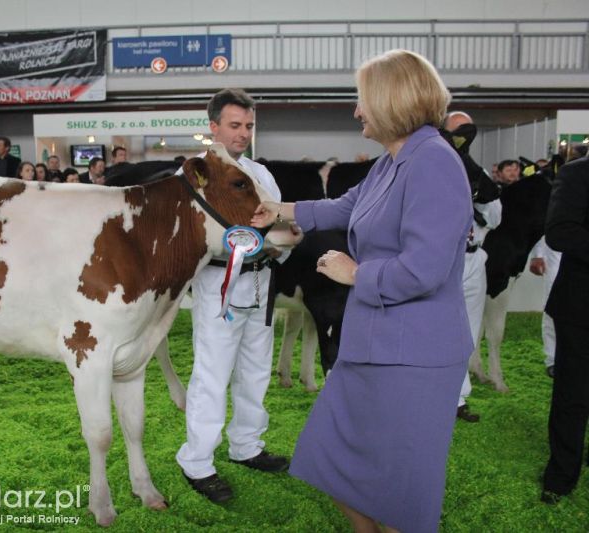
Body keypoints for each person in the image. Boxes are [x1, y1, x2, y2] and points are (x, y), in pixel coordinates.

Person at [252, 50, 472, 532]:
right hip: (372, 343)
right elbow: (347, 206)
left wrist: (357, 273)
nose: (356, 110)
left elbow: (426, 268)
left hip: (414, 354)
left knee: (398, 491)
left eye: (362, 99)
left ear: (392, 101)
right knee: (330, 456)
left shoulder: (434, 161)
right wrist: (281, 209)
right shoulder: (392, 162)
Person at [176, 88, 289, 504]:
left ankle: (246, 445)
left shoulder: (262, 174)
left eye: (249, 126)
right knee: (213, 372)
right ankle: (197, 461)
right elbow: (193, 237)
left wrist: (277, 244)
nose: (243, 133)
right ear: (214, 127)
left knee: (257, 368)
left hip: (262, 280)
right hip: (218, 283)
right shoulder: (191, 177)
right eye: (235, 125)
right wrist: (252, 242)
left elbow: (278, 224)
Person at [443, 111, 503, 423]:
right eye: (455, 132)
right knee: (438, 329)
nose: (459, 139)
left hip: (474, 257)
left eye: (464, 132)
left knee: (468, 331)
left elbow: (495, 216)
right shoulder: (436, 171)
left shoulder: (476, 173)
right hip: (443, 259)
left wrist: (477, 197)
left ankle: (458, 398)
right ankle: (433, 395)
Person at [540, 153, 589, 505]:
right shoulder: (575, 174)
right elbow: (559, 232)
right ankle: (560, 476)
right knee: (573, 393)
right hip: (581, 306)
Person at [529, 237, 561, 378]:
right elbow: (543, 221)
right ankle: (553, 360)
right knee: (553, 303)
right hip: (557, 251)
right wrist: (537, 254)